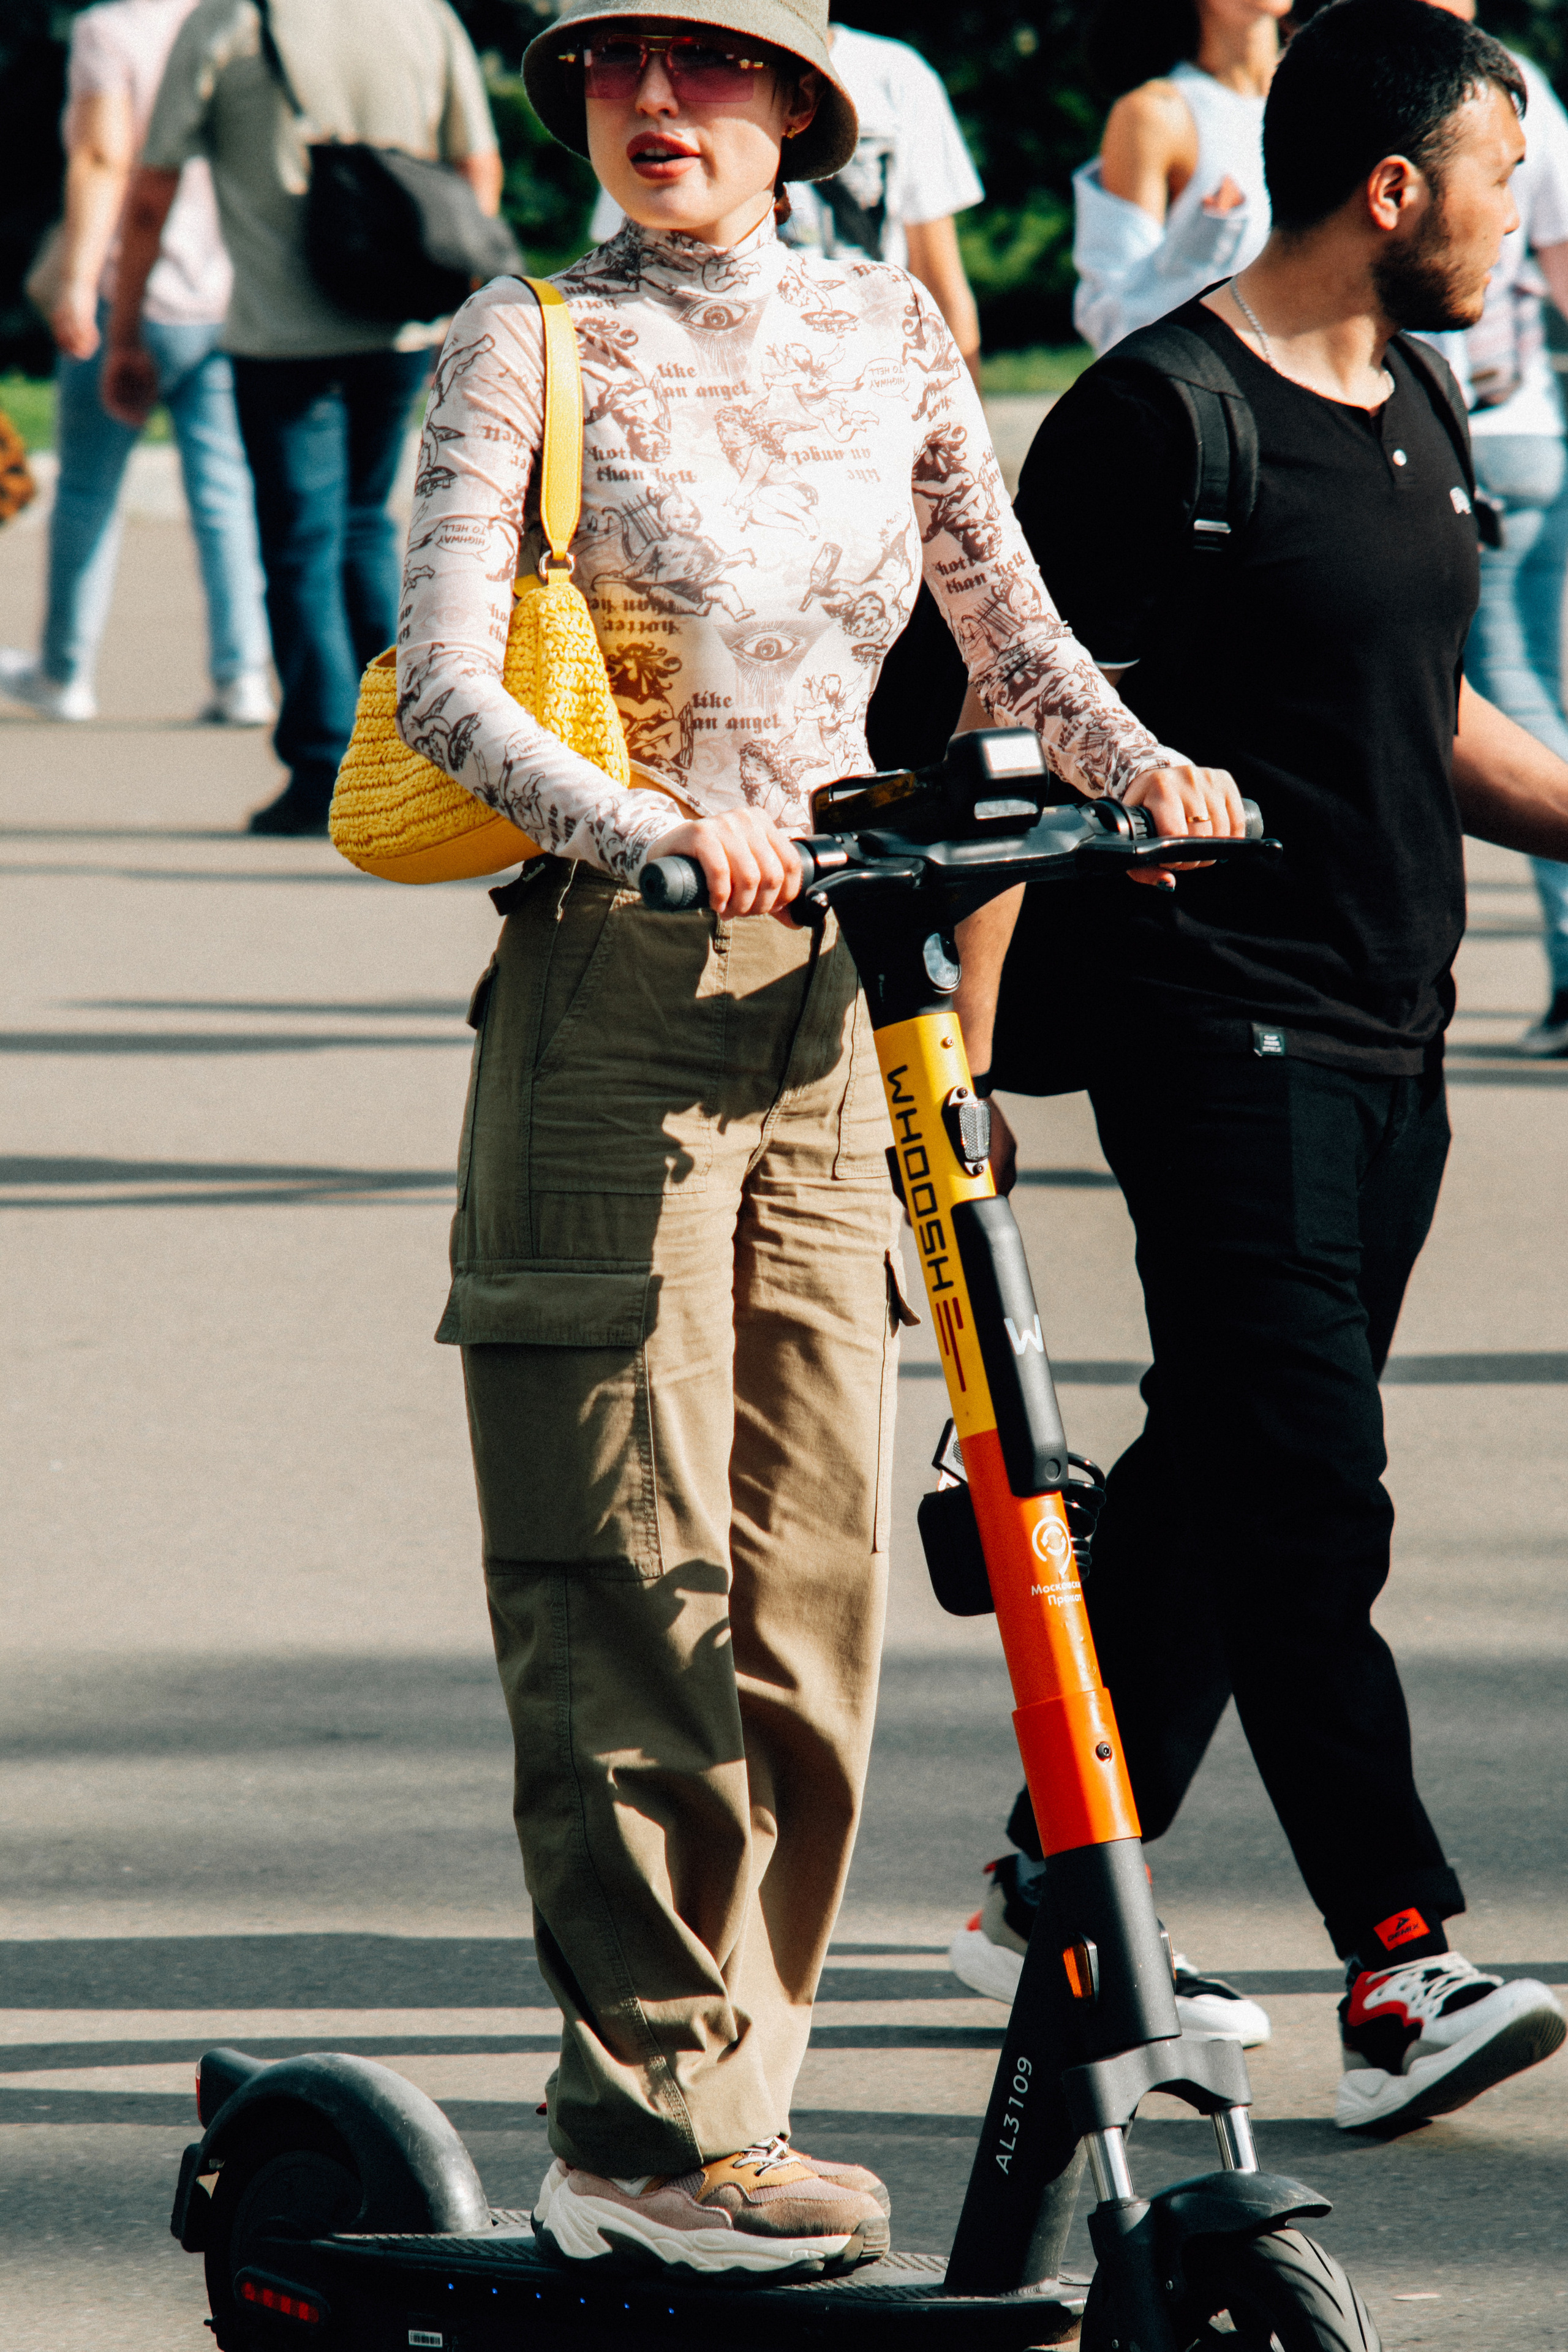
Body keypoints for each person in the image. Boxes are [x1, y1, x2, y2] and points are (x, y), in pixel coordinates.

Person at [399, 0, 1235, 2279]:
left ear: (795, 109)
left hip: (836, 1002)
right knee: (622, 1580)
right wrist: (648, 824)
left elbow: (1008, 628)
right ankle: (641, 2123)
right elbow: (445, 684)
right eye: (611, 73)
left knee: (812, 1594)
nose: (652, 107)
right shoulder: (530, 341)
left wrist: (1133, 768)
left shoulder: (883, 330)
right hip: (614, 984)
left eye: (707, 69)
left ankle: (732, 2119)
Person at [952, 0, 1568, 2136]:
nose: (1518, 211)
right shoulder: (1156, 423)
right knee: (1311, 1496)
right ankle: (1403, 1963)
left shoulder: (1410, 391)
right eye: (1503, 172)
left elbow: (1445, 718)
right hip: (1219, 1034)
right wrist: (966, 1069)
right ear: (1393, 187)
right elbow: (1013, 739)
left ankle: (1055, 1894)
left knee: (1222, 1480)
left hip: (1400, 1030)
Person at [100, 0, 503, 834]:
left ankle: (325, 764)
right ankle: (415, 751)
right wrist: (462, 295)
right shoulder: (423, 17)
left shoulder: (230, 22)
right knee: (364, 527)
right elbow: (479, 167)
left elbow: (152, 188)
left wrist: (128, 331)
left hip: (281, 334)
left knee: (301, 544)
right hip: (402, 322)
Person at [0, 0, 272, 729]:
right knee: (224, 492)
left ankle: (65, 671)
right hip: (221, 291)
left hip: (130, 288)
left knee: (88, 490)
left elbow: (102, 159)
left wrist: (78, 284)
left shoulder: (108, 33)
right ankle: (242, 672)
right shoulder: (235, 23)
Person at [1417, 0, 1568, 1058]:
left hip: (1479, 430)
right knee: (1544, 690)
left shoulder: (1416, 83)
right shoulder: (1528, 91)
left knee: (1505, 702)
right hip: (1539, 431)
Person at [589, 20, 986, 381]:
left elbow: (940, 281)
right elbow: (624, 267)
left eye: (708, 57)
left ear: (802, 100)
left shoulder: (895, 74)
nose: (655, 97)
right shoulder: (645, 90)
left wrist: (966, 424)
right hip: (717, 367)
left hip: (873, 370)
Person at [1072, 0, 1287, 356]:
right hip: (1217, 398)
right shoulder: (1154, 114)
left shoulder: (1341, 98)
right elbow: (1115, 326)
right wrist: (1206, 244)